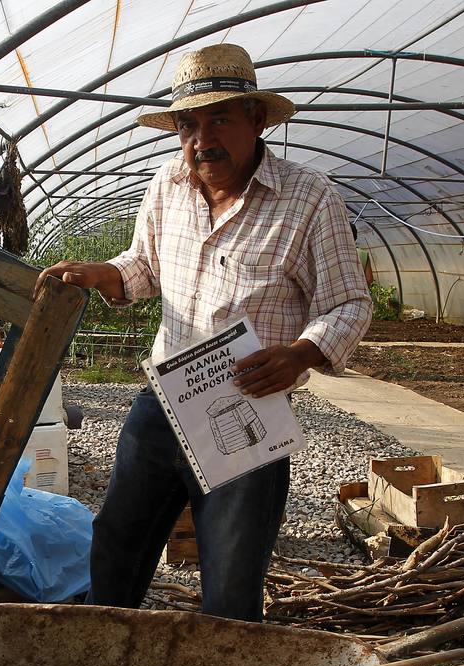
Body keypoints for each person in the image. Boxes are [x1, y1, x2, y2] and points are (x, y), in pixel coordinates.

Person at [36, 44, 370, 622]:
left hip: (247, 409)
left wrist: (299, 354)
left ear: (257, 120)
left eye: (220, 118)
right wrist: (107, 273)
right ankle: (98, 659)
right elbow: (145, 267)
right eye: (189, 124)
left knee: (232, 581)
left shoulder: (310, 198)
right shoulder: (169, 185)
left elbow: (348, 305)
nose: (202, 138)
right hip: (165, 397)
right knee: (116, 544)